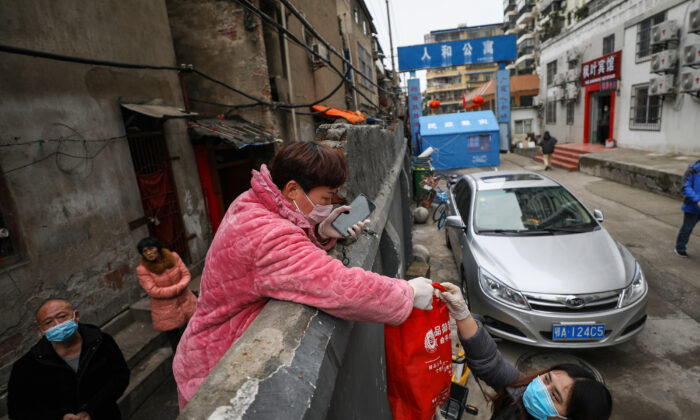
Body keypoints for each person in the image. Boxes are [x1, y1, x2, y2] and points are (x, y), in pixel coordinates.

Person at [172, 141, 435, 408]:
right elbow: (339, 285)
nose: (328, 205)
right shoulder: (268, 235)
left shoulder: (253, 202)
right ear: (293, 189)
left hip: (205, 351)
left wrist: (319, 232)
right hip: (214, 373)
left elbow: (281, 261)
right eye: (325, 198)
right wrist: (407, 292)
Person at [435, 283, 612, 420]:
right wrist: (462, 313)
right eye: (547, 378)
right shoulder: (521, 390)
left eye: (554, 395)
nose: (540, 389)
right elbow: (489, 362)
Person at [7, 299, 130, 420]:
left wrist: (91, 409)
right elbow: (18, 411)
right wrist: (60, 417)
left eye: (62, 316)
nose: (57, 324)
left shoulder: (101, 342)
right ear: (42, 331)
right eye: (48, 322)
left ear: (76, 316)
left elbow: (120, 377)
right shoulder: (27, 366)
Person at [136, 237, 197, 350]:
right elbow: (153, 290)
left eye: (151, 248)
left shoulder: (173, 257)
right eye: (145, 251)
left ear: (157, 248)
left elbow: (186, 274)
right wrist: (177, 289)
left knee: (194, 331)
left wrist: (179, 287)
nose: (149, 253)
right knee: (175, 340)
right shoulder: (143, 270)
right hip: (166, 309)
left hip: (186, 299)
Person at [675, 159, 700, 257]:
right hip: (692, 208)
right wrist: (697, 200)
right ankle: (680, 248)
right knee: (687, 229)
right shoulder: (691, 171)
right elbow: (685, 187)